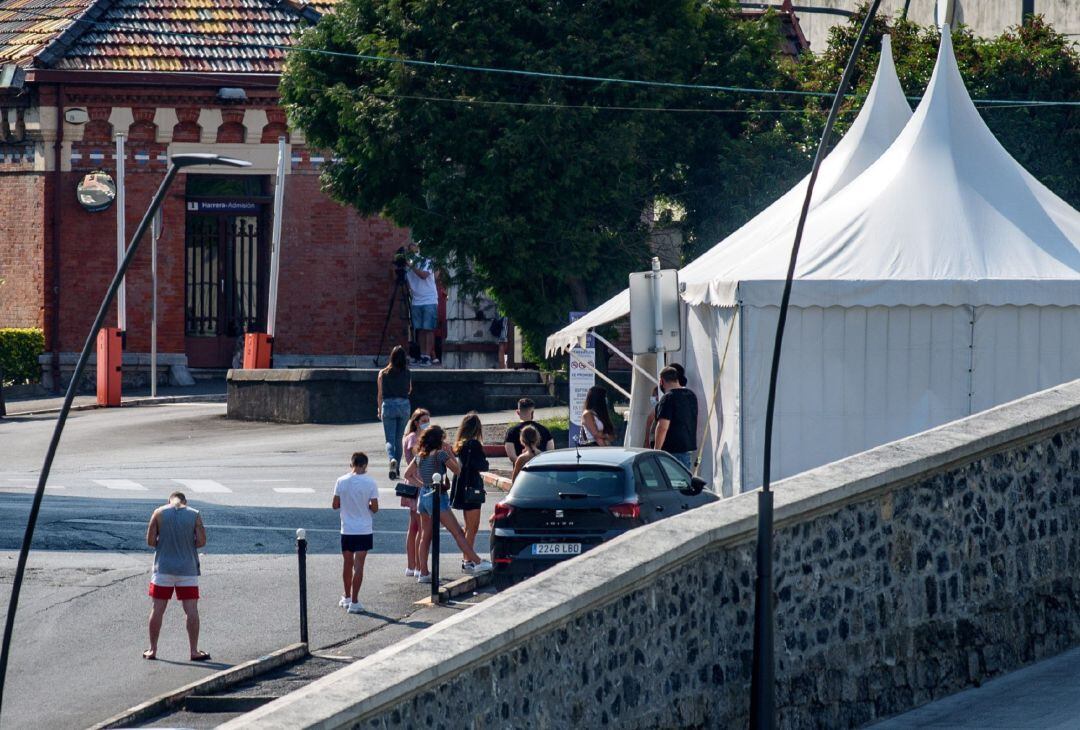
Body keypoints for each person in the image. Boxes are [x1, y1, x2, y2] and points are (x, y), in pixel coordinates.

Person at [406, 425, 493, 581]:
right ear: (438, 440)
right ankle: (477, 561)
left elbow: (408, 474)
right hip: (438, 497)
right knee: (458, 532)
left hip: (424, 496)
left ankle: (423, 572)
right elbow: (458, 470)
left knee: (425, 535)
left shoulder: (419, 456)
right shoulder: (440, 455)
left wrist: (423, 485)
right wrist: (449, 454)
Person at [144, 492, 209, 661]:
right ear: (185, 501)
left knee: (157, 609)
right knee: (191, 610)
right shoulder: (194, 514)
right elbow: (201, 542)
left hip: (163, 569)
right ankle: (194, 651)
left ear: (169, 500)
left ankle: (152, 650)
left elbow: (150, 541)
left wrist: (164, 543)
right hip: (187, 570)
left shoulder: (158, 513)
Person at [333, 452, 380, 614]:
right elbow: (375, 508)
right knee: (359, 566)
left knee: (347, 563)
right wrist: (366, 504)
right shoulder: (370, 482)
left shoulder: (341, 481)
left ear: (351, 463)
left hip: (346, 528)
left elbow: (335, 504)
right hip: (364, 529)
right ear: (365, 465)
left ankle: (346, 596)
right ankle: (355, 601)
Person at [452, 413, 489, 567]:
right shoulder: (474, 445)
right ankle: (468, 560)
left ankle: (466, 558)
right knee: (473, 527)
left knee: (468, 526)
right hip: (472, 487)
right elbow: (482, 465)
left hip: (461, 486)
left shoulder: (461, 445)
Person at [400, 408, 430, 577]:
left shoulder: (418, 437)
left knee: (414, 526)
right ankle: (417, 565)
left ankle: (413, 565)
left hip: (416, 482)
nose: (427, 422)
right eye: (424, 420)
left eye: (428, 419)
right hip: (416, 482)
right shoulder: (412, 438)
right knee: (418, 526)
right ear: (416, 422)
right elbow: (418, 457)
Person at [654, 366, 699, 470]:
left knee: (669, 484)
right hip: (686, 451)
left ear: (661, 381)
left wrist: (656, 451)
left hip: (670, 452)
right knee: (683, 483)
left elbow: (663, 427)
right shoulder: (691, 395)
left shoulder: (668, 398)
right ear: (677, 379)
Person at [378, 345, 412, 480]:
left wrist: (380, 409)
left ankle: (392, 459)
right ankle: (397, 469)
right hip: (404, 405)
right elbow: (409, 390)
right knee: (399, 438)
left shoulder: (383, 373)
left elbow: (380, 394)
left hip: (388, 405)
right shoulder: (407, 372)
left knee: (389, 439)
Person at [405, 239, 439, 366]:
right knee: (419, 329)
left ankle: (427, 356)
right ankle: (421, 355)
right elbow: (406, 283)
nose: (411, 251)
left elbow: (423, 275)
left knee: (428, 329)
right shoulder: (408, 265)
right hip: (416, 300)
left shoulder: (426, 261)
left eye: (413, 248)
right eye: (409, 249)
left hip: (429, 299)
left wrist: (410, 265)